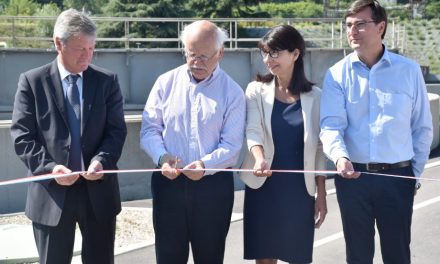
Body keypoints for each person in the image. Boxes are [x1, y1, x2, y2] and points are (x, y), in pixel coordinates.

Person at [320, 0, 433, 263]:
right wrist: (340, 157)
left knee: (397, 255)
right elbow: (331, 125)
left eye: (361, 24)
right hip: (353, 178)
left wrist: (412, 175)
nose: (352, 31)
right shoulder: (337, 74)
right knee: (358, 257)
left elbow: (422, 128)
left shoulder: (408, 71)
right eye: (349, 25)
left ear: (381, 27)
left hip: (398, 177)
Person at [10, 9, 127, 264]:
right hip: (52, 195)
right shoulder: (32, 82)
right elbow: (22, 136)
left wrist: (102, 160)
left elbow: (116, 131)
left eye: (91, 48)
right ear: (58, 43)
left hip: (97, 192)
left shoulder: (107, 81)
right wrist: (51, 168)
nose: (87, 56)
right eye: (80, 48)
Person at [140, 20, 245, 264]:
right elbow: (149, 130)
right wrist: (162, 157)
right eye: (191, 54)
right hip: (168, 183)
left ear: (221, 53)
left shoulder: (232, 92)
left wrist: (205, 165)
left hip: (213, 187)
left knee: (210, 257)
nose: (197, 62)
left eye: (204, 57)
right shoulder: (165, 83)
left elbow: (231, 146)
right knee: (168, 257)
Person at [240, 25, 327, 264]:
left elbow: (320, 147)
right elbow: (253, 130)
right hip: (263, 186)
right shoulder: (255, 90)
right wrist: (259, 158)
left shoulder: (316, 96)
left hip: (300, 190)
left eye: (275, 53)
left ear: (296, 54)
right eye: (265, 53)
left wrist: (321, 194)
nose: (268, 59)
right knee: (265, 258)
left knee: (297, 256)